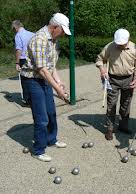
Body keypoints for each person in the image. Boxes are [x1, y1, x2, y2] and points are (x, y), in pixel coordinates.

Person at [20, 13, 71, 162]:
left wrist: (59, 82)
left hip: (44, 78)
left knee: (51, 112)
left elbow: (51, 65)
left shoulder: (53, 40)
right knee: (41, 117)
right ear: (55, 27)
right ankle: (38, 150)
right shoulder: (39, 39)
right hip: (33, 80)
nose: (63, 35)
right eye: (62, 31)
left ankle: (51, 139)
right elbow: (42, 69)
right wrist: (58, 90)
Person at [96, 28, 136, 141]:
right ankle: (110, 129)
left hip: (128, 79)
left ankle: (123, 126)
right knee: (111, 104)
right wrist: (102, 69)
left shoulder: (134, 48)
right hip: (112, 79)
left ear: (128, 40)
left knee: (126, 104)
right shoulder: (110, 46)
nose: (120, 45)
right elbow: (100, 59)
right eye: (118, 43)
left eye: (122, 43)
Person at [12, 20, 34, 103]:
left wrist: (17, 63)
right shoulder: (32, 34)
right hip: (33, 58)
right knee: (33, 78)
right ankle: (34, 98)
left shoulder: (18, 35)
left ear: (15, 27)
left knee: (25, 80)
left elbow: (19, 50)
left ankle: (27, 100)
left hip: (24, 59)